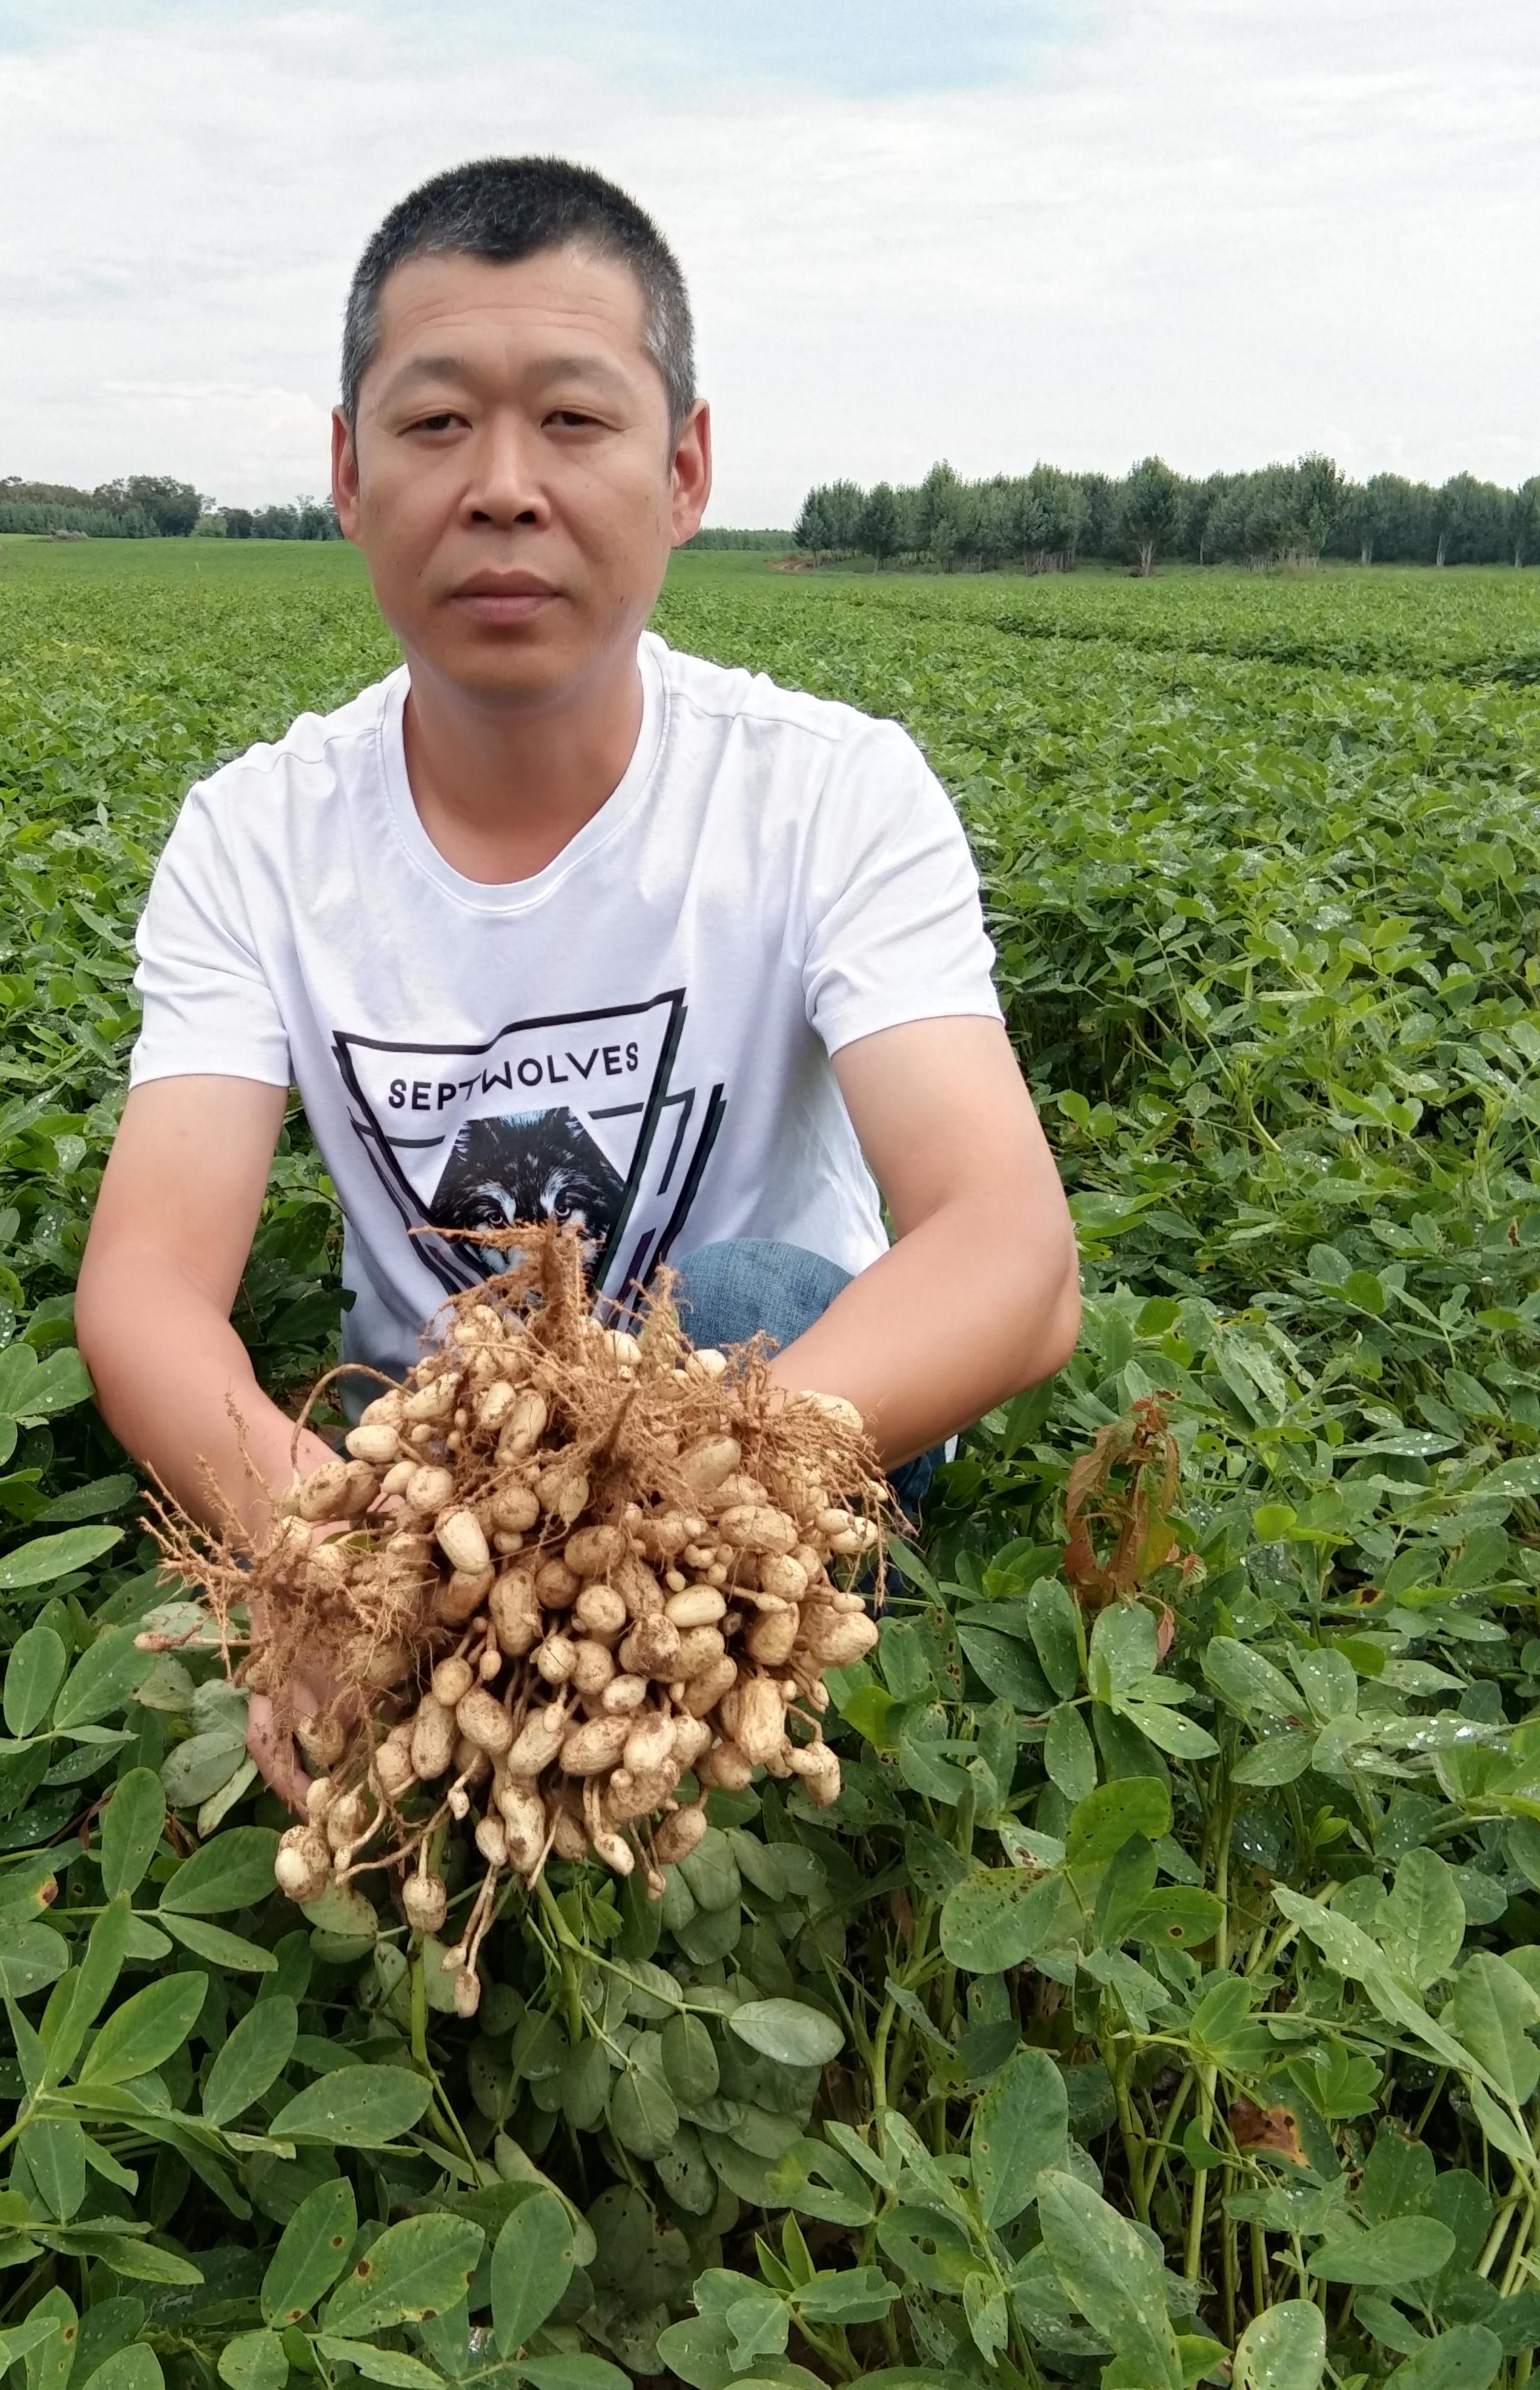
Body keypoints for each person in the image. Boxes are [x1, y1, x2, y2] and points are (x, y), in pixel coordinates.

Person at [76, 156, 1080, 1801]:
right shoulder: (255, 838)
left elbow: (1015, 1257)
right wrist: (328, 1549)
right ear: (345, 471)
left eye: (575, 421)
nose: (502, 487)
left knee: (742, 1300)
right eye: (433, 424)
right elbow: (143, 1292)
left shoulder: (830, 790)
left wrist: (643, 1499)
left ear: (684, 469)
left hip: (778, 1402)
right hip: (440, 1453)